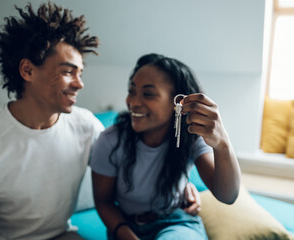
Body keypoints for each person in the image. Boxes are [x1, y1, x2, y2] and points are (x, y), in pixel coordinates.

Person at [0, 2, 103, 239]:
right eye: (68, 72)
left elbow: (129, 163)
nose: (80, 84)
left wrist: (182, 186)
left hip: (61, 235)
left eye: (80, 73)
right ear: (28, 70)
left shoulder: (86, 125)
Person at [91, 53, 241, 240]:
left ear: (177, 103)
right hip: (125, 227)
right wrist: (126, 235)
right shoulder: (110, 140)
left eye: (148, 94)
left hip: (176, 222)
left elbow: (228, 195)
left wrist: (222, 144)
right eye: (132, 91)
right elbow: (103, 202)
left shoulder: (191, 138)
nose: (134, 102)